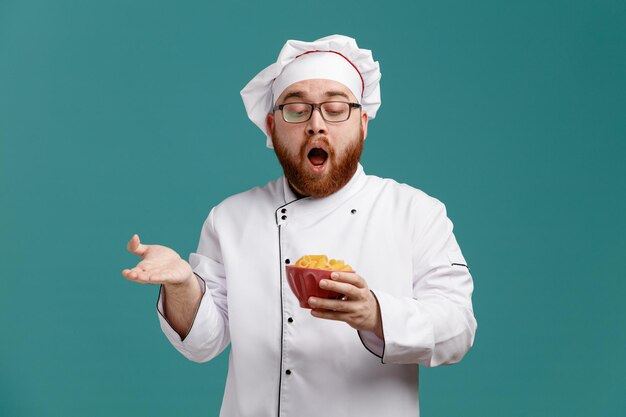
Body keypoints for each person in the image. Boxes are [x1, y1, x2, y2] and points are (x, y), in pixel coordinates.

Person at [122, 34, 477, 417]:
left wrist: (376, 314)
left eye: (335, 108)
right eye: (297, 110)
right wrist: (182, 285)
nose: (316, 125)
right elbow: (203, 342)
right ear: (272, 127)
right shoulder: (230, 218)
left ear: (362, 123)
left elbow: (458, 330)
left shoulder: (415, 212)